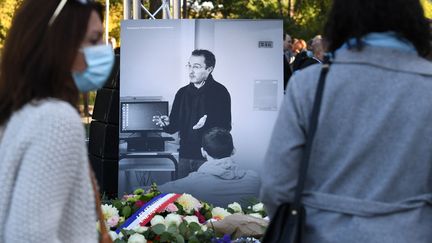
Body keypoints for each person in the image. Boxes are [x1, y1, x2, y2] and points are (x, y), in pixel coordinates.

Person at [260, 0, 432, 242]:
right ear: (414, 23)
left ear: (340, 21)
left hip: (320, 233)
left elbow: (276, 185)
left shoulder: (310, 85)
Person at [0, 0, 114, 242]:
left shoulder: (19, 114)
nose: (104, 50)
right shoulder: (56, 120)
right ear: (59, 44)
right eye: (93, 40)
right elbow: (29, 236)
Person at [153, 49, 231, 179]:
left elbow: (226, 127)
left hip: (209, 158)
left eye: (196, 66)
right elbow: (174, 127)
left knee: (206, 198)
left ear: (209, 69)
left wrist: (208, 123)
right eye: (189, 65)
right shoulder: (182, 93)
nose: (191, 71)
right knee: (183, 198)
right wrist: (167, 124)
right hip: (184, 156)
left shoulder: (220, 92)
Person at [158, 127, 260, 207]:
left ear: (203, 152)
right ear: (233, 150)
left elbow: (154, 192)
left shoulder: (192, 183)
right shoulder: (255, 179)